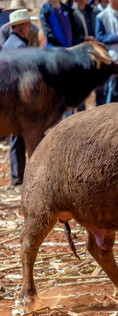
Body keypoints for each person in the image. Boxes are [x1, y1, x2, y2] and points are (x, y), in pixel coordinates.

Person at [1, 8, 37, 186]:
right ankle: (24, 176)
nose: (30, 26)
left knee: (16, 138)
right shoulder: (20, 47)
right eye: (28, 23)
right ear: (21, 25)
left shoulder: (9, 44)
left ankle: (18, 176)